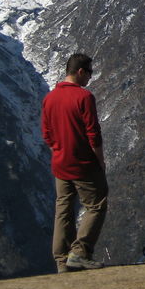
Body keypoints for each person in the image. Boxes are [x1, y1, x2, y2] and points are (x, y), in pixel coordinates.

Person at [41, 53, 108, 272]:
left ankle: (61, 260)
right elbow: (93, 133)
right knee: (96, 204)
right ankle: (80, 252)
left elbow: (47, 134)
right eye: (89, 72)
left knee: (63, 209)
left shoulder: (49, 98)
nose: (90, 77)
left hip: (60, 164)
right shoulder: (83, 97)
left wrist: (59, 150)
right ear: (80, 71)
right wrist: (100, 160)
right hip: (83, 163)